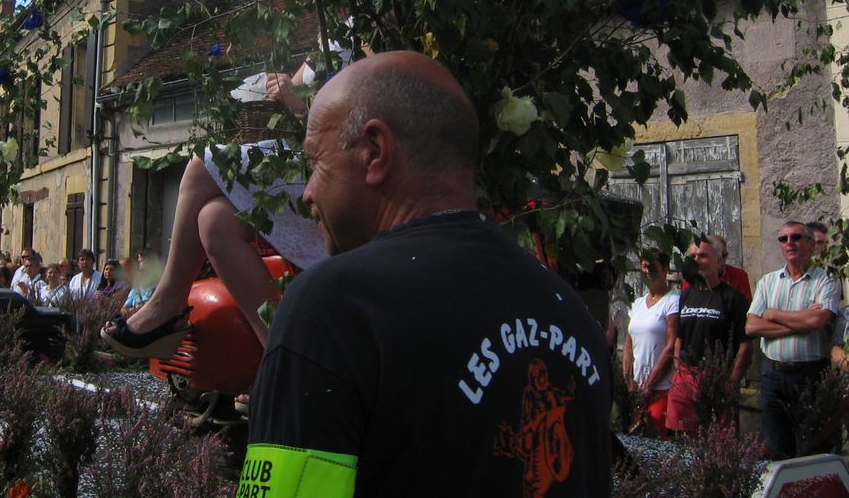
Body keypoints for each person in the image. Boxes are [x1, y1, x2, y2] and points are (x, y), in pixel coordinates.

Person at [238, 51, 613, 497]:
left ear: (375, 152)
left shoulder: (334, 308)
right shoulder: (570, 316)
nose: (309, 194)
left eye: (316, 164)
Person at [102, 51, 351, 359]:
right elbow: (286, 94)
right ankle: (280, 353)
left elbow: (367, 117)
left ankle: (168, 301)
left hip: (340, 174)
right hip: (305, 166)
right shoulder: (329, 37)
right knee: (213, 219)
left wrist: (302, 105)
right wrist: (274, 89)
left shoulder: (367, 26)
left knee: (202, 162)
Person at [746, 220, 839, 459]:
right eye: (783, 238)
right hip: (773, 375)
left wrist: (773, 314)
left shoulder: (826, 280)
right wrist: (801, 322)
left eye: (796, 237)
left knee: (816, 447)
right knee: (777, 448)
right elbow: (752, 326)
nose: (789, 243)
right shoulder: (767, 282)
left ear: (810, 244)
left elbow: (816, 322)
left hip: (811, 375)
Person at [666, 236, 752, 435]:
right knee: (682, 438)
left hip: (717, 377)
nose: (697, 260)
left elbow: (745, 346)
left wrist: (732, 381)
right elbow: (680, 336)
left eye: (703, 256)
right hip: (686, 378)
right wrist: (679, 369)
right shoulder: (686, 296)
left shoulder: (733, 298)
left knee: (716, 441)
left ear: (719, 261)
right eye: (693, 256)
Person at [622, 247, 680, 436]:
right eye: (644, 267)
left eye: (652, 267)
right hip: (636, 387)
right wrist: (628, 379)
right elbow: (629, 343)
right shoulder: (637, 303)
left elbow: (670, 345)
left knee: (655, 436)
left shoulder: (672, 301)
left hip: (660, 386)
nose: (646, 271)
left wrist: (649, 384)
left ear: (664, 269)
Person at [680, 234, 751, 302]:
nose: (697, 261)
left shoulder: (738, 275)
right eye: (693, 256)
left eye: (723, 255)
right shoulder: (692, 277)